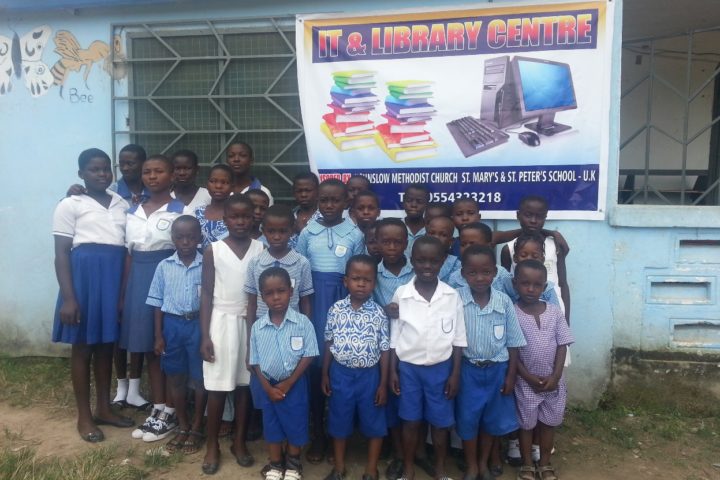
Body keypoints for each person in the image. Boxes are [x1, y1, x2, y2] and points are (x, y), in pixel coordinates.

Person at [52, 148, 135, 443]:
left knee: (106, 346)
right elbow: (62, 254)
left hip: (113, 277)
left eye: (105, 169)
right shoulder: (70, 204)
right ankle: (84, 416)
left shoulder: (121, 203)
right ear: (81, 174)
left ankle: (104, 408)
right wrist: (69, 298)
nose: (101, 174)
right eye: (94, 169)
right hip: (84, 281)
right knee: (83, 347)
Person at [295, 178, 365, 463]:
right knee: (314, 365)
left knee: (338, 364)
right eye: (324, 200)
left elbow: (358, 272)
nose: (329, 205)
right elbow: (300, 270)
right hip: (313, 303)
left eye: (336, 200)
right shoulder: (307, 232)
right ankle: (318, 435)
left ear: (346, 202)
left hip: (343, 302)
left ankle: (342, 434)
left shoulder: (354, 233)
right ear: (317, 201)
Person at [122, 154, 191, 441]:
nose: (152, 176)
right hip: (139, 279)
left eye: (159, 171)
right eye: (147, 171)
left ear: (171, 175)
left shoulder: (180, 210)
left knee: (168, 346)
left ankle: (172, 411)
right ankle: (159, 406)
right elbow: (128, 254)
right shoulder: (132, 211)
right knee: (149, 346)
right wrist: (124, 294)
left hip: (169, 276)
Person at [389, 236, 467, 480]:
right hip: (409, 370)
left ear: (443, 261)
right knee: (410, 421)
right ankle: (409, 469)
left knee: (440, 424)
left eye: (433, 261)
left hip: (441, 369)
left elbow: (459, 338)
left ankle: (441, 470)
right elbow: (394, 337)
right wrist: (392, 371)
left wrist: (455, 374)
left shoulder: (451, 296)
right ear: (412, 261)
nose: (427, 266)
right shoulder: (402, 294)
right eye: (421, 260)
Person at [199, 195, 265, 474]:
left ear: (254, 218)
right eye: (234, 217)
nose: (240, 221)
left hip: (250, 322)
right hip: (221, 322)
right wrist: (205, 336)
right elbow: (206, 294)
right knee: (217, 387)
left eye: (245, 216)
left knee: (244, 386)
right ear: (224, 219)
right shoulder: (213, 250)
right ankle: (212, 444)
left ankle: (239, 442)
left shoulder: (260, 248)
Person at [455, 246, 526, 480]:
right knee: (468, 419)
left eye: (486, 272)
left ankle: (483, 463)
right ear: (463, 274)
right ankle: (471, 465)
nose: (479, 278)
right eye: (472, 273)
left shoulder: (504, 302)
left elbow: (513, 343)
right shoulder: (456, 300)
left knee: (491, 420)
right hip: (468, 370)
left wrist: (511, 375)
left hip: (497, 370)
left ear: (494, 273)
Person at [322, 255, 390, 480]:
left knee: (374, 420)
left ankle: (371, 468)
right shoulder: (336, 310)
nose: (361, 284)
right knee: (339, 418)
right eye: (356, 278)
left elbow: (385, 350)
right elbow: (329, 342)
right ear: (346, 281)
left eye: (367, 280)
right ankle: (339, 467)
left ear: (374, 283)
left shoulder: (379, 313)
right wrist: (324, 374)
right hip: (340, 374)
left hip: (370, 377)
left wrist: (383, 383)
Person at [250, 267, 319, 480]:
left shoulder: (303, 323)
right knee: (271, 425)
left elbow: (310, 354)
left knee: (296, 422)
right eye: (269, 293)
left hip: (295, 384)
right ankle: (275, 464)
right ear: (262, 297)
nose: (276, 297)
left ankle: (293, 464)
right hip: (268, 385)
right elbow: (255, 361)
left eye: (281, 291)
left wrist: (289, 382)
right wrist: (267, 388)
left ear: (291, 291)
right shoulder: (257, 327)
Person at [146, 215, 206, 452]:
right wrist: (158, 336)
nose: (186, 242)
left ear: (199, 238)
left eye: (191, 237)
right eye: (180, 237)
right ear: (172, 239)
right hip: (172, 326)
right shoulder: (164, 266)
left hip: (198, 324)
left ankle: (197, 426)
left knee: (200, 379)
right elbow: (156, 303)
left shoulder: (207, 264)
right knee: (176, 377)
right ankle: (182, 424)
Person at [513, 260, 573, 480]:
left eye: (537, 285)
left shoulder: (555, 312)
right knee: (526, 425)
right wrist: (527, 377)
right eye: (525, 283)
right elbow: (512, 351)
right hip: (525, 382)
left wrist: (556, 376)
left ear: (544, 287)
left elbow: (562, 344)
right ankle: (527, 465)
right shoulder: (512, 313)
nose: (530, 289)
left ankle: (545, 463)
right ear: (515, 284)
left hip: (553, 382)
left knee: (548, 424)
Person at [371, 217, 413, 480]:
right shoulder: (372, 274)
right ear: (376, 243)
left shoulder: (417, 270)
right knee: (390, 398)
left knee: (410, 400)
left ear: (406, 243)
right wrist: (382, 310)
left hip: (412, 346)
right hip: (383, 347)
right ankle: (398, 452)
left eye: (398, 242)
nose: (392, 247)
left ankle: (415, 452)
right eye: (385, 242)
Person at [500, 195, 570, 320]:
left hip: (554, 311)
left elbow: (563, 284)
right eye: (528, 215)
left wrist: (567, 319)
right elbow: (504, 286)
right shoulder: (508, 249)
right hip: (520, 314)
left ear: (545, 217)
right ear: (518, 215)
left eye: (539, 216)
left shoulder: (555, 246)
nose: (533, 220)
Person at [245, 204, 314, 326]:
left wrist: (305, 328)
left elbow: (305, 301)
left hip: (293, 327)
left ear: (292, 231)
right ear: (263, 231)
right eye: (271, 231)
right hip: (262, 328)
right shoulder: (255, 263)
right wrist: (250, 333)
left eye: (282, 231)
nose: (277, 237)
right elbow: (251, 303)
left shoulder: (301, 263)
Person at [195, 164, 234, 250]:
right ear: (206, 184)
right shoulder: (197, 213)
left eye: (224, 182)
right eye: (213, 181)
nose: (218, 186)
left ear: (232, 186)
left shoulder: (237, 215)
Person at [425, 216, 460, 283]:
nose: (436, 238)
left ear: (451, 241)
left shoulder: (457, 266)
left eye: (443, 235)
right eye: (432, 233)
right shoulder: (417, 262)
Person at [401, 184, 430, 258]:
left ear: (427, 204)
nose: (414, 205)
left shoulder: (431, 230)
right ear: (403, 201)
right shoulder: (396, 227)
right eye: (409, 200)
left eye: (419, 201)